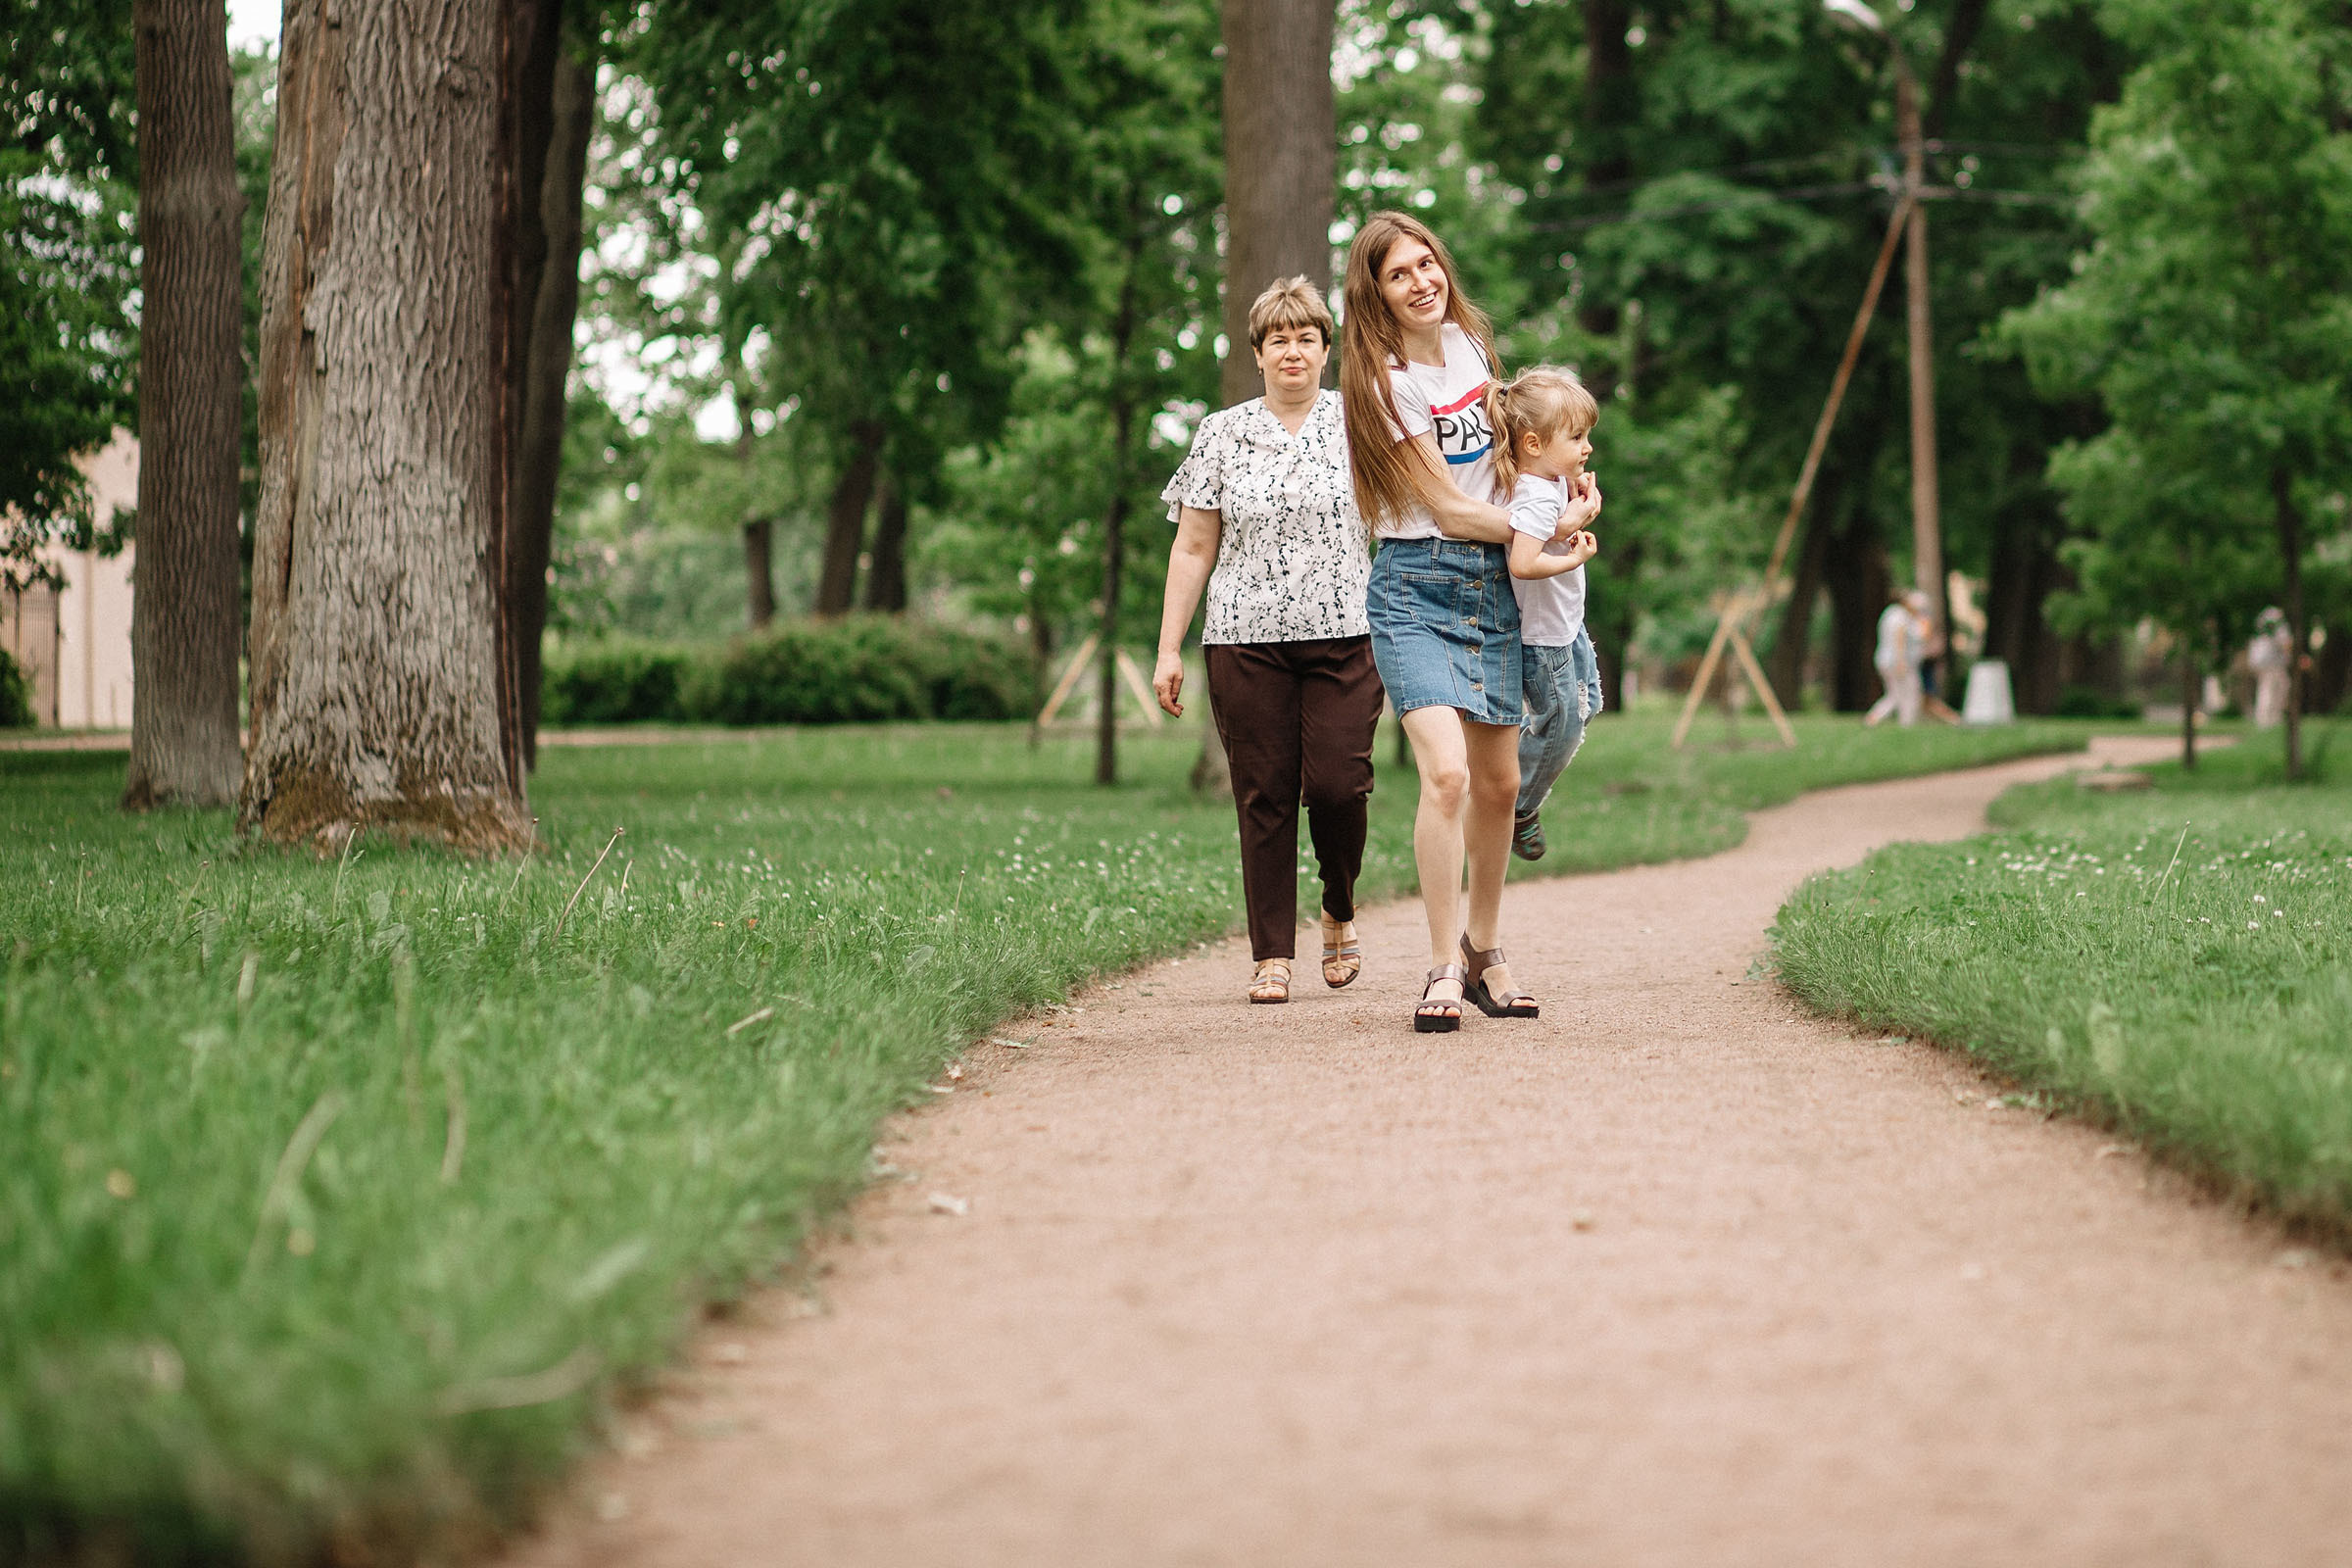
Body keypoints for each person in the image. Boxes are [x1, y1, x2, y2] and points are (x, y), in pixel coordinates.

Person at [1340, 211, 1548, 1033]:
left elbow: (1508, 463)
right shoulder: (1385, 385)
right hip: (1414, 588)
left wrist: (1556, 490)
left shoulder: (1469, 347)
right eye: (1400, 274)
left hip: (1492, 589)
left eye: (1428, 264)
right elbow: (1452, 510)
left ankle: (1485, 952)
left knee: (1499, 783)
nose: (1422, 282)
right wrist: (1547, 533)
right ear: (1377, 294)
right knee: (1448, 776)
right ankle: (1438, 970)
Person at [1154, 276, 1384, 1005]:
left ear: (1326, 349)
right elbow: (1193, 547)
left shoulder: (1363, 423)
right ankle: (1271, 954)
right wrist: (1168, 647)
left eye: (1306, 337)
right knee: (1265, 796)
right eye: (1278, 338)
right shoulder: (1222, 433)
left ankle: (1339, 908)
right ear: (1258, 353)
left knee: (1339, 787)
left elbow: (1420, 508)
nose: (1293, 350)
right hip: (1243, 639)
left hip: (1349, 633)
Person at [1491, 367, 1604, 862]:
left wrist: (1576, 499)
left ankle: (1510, 774)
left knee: (1588, 705)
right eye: (1577, 437)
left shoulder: (1549, 481)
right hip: (1545, 638)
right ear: (1533, 444)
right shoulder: (1534, 495)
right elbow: (1524, 560)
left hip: (1567, 625)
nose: (1587, 448)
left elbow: (1551, 525)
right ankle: (1518, 804)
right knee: (1561, 723)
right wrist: (1573, 555)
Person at [1865, 590, 1928, 727]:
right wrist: (1901, 661)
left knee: (1895, 695)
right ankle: (1906, 722)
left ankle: (1875, 717)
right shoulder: (1901, 617)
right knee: (1908, 693)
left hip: (1887, 660)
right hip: (1897, 661)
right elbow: (1900, 639)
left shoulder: (1891, 613)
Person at [2250, 608, 2292, 728]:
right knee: (2269, 690)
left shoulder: (2263, 627)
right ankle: (2266, 719)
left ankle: (2270, 718)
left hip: (2267, 663)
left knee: (2274, 689)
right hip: (2272, 664)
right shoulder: (2277, 629)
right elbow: (2286, 645)